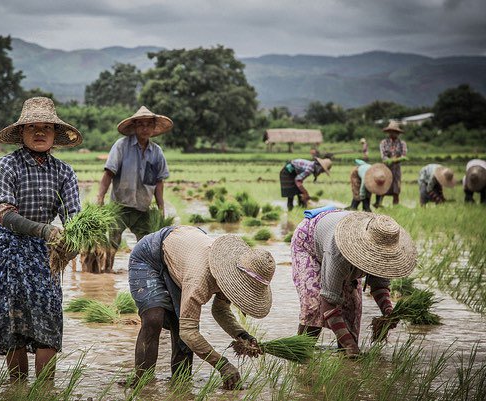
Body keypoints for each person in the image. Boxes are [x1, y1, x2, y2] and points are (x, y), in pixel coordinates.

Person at [0, 97, 82, 381]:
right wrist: (43, 230)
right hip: (9, 248)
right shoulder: (6, 166)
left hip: (46, 252)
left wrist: (75, 241)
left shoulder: (64, 172)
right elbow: (5, 214)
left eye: (46, 127)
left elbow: (73, 218)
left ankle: (44, 389)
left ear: (55, 134)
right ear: (22, 133)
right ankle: (17, 387)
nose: (40, 133)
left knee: (49, 314)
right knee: (12, 318)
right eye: (32, 127)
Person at [127, 226, 275, 389]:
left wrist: (243, 335)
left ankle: (180, 387)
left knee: (181, 328)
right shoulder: (200, 279)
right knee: (154, 318)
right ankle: (141, 385)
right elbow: (188, 331)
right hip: (150, 255)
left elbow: (220, 310)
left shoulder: (231, 276)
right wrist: (222, 365)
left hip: (185, 254)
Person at [291, 209, 417, 357]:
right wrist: (349, 344)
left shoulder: (383, 247)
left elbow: (379, 285)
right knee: (314, 304)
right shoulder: (338, 251)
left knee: (352, 308)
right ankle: (300, 354)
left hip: (336, 235)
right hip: (309, 242)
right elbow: (328, 301)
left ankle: (346, 358)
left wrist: (388, 312)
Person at [95, 106, 171, 271]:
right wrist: (100, 197)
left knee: (147, 246)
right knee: (112, 243)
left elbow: (159, 182)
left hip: (142, 209)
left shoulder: (157, 152)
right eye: (141, 124)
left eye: (148, 125)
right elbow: (108, 173)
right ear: (135, 126)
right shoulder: (121, 146)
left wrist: (161, 208)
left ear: (153, 128)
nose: (145, 128)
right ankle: (107, 272)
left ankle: (143, 273)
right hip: (119, 206)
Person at [376, 121, 407, 207]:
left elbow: (404, 155)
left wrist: (398, 159)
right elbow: (383, 156)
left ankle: (395, 207)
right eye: (392, 131)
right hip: (386, 169)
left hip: (397, 169)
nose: (394, 133)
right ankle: (379, 205)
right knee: (383, 186)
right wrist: (390, 160)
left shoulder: (402, 143)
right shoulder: (384, 143)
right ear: (389, 132)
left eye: (396, 132)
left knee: (396, 189)